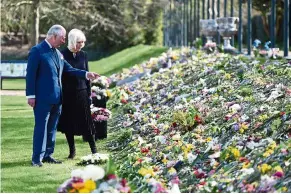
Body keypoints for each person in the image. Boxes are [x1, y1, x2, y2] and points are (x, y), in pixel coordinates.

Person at [26, 24, 99, 167]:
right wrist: (31, 95)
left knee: (52, 128)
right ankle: (36, 158)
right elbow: (30, 75)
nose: (64, 41)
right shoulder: (37, 51)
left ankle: (48, 155)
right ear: (53, 36)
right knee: (41, 127)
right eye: (62, 38)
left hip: (58, 99)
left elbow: (70, 69)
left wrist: (86, 74)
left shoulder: (58, 54)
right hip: (42, 99)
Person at [57, 29, 97, 159]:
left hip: (82, 93)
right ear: (73, 41)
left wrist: (89, 94)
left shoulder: (84, 55)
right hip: (68, 94)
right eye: (79, 42)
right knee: (69, 123)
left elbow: (87, 74)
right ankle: (72, 151)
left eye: (83, 42)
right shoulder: (62, 55)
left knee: (87, 122)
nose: (82, 44)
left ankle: (94, 150)